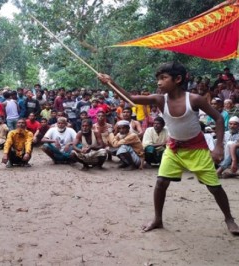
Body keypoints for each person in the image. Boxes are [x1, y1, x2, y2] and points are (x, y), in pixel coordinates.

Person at [98, 61, 239, 235]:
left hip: (197, 149)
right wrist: (111, 82)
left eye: (163, 78)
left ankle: (229, 218)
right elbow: (131, 99)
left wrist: (218, 147)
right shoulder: (159, 99)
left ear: (178, 79)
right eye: (158, 78)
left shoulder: (194, 99)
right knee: (160, 183)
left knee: (214, 187)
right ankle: (157, 219)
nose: (159, 82)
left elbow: (218, 119)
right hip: (173, 148)